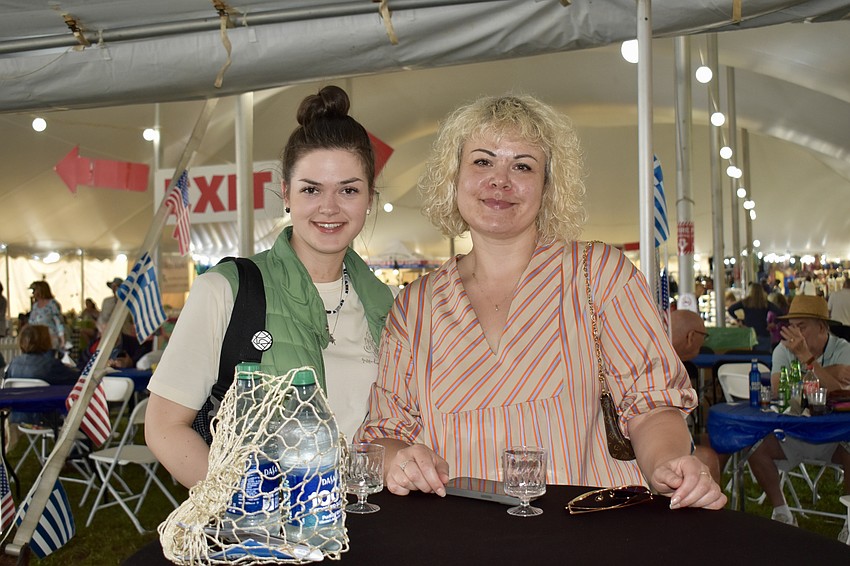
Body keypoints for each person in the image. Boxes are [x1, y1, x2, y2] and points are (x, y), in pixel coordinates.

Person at [357, 94, 726, 511]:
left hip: (583, 533)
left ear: (548, 187)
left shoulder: (600, 274)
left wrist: (669, 463)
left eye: (522, 166)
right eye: (482, 162)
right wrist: (398, 460)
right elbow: (384, 432)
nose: (500, 180)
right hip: (459, 536)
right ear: (453, 179)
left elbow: (650, 403)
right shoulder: (416, 306)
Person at [145, 85, 395, 489]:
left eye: (348, 189)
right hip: (258, 537)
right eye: (311, 189)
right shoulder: (225, 291)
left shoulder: (389, 306)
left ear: (369, 197)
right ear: (287, 193)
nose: (329, 207)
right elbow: (163, 427)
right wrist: (241, 510)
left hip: (366, 527)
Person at [747, 295, 850, 532]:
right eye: (792, 325)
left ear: (822, 326)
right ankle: (782, 511)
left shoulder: (844, 349)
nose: (795, 332)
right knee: (754, 448)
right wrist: (827, 372)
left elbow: (837, 394)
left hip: (836, 435)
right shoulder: (783, 349)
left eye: (801, 326)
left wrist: (807, 360)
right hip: (794, 432)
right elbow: (776, 389)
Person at [669, 309, 722, 483]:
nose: (704, 341)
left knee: (714, 442)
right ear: (691, 337)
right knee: (707, 458)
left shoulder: (664, 360)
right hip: (655, 452)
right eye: (703, 336)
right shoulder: (667, 368)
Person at [4, 324, 79, 385]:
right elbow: (78, 381)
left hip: (18, 403)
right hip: (48, 403)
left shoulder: (13, 364)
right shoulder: (51, 365)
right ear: (45, 340)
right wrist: (70, 368)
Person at [727, 282, 784, 352]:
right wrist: (774, 323)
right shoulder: (765, 303)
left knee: (749, 359)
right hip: (763, 333)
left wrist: (739, 320)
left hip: (748, 334)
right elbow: (780, 312)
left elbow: (730, 309)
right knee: (764, 359)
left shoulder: (745, 302)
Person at [27, 280, 65, 352]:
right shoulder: (35, 306)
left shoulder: (52, 304)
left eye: (34, 290)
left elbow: (59, 322)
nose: (33, 293)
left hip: (50, 339)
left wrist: (62, 339)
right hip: (37, 340)